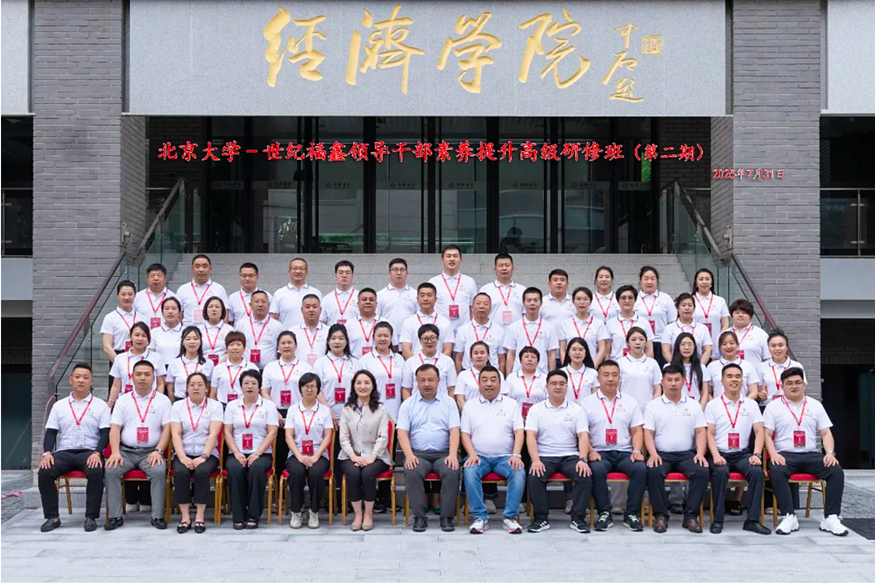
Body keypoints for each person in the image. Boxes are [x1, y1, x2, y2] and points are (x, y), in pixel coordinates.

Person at [764, 368, 848, 536]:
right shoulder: (773, 407)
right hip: (784, 454)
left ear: (804, 385)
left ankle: (830, 517)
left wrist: (829, 453)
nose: (794, 386)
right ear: (782, 386)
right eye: (789, 383)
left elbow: (826, 433)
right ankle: (789, 516)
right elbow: (766, 434)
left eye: (798, 382)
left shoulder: (815, 405)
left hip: (810, 454)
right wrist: (773, 454)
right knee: (777, 470)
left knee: (836, 471)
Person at [38, 363, 111, 533]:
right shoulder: (59, 406)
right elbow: (51, 433)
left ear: (91, 381)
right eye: (77, 377)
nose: (81, 380)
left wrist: (97, 453)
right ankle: (52, 517)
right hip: (64, 452)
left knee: (96, 471)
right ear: (71, 379)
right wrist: (47, 453)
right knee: (45, 471)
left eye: (85, 377)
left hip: (90, 452)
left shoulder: (100, 405)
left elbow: (105, 434)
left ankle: (91, 517)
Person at [104, 360, 172, 530]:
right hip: (126, 452)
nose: (142, 378)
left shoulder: (163, 401)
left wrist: (158, 451)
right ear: (132, 377)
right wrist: (115, 452)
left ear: (154, 378)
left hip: (151, 452)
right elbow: (115, 428)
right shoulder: (123, 400)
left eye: (147, 374)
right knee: (111, 470)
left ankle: (157, 516)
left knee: (158, 471)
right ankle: (115, 516)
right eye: (139, 374)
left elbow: (167, 429)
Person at [705, 363, 770, 535]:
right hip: (720, 453)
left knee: (756, 472)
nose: (734, 380)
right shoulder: (713, 405)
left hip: (742, 454)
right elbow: (709, 433)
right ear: (722, 381)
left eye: (737, 376)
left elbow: (759, 431)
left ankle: (752, 520)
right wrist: (716, 455)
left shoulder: (751, 404)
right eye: (730, 376)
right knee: (720, 472)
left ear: (742, 381)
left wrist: (756, 454)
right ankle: (717, 520)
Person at [525, 369, 593, 534]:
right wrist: (535, 460)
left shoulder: (577, 409)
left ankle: (578, 518)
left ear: (566, 387)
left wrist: (582, 459)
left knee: (584, 474)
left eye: (562, 384)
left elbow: (583, 436)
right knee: (534, 475)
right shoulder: (536, 409)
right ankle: (541, 518)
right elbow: (531, 436)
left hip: (570, 455)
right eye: (553, 384)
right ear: (546, 386)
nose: (558, 387)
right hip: (544, 455)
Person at [582, 360, 647, 532]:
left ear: (620, 378)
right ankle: (604, 513)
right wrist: (590, 451)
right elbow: (582, 433)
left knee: (640, 469)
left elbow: (637, 430)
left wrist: (637, 450)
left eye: (614, 375)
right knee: (596, 470)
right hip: (599, 452)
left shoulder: (630, 402)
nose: (610, 379)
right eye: (606, 375)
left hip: (624, 452)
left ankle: (631, 514)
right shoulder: (587, 403)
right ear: (598, 378)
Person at [461, 364, 526, 535]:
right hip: (479, 457)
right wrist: (472, 454)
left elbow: (519, 431)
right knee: (469, 471)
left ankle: (510, 517)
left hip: (505, 457)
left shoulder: (511, 404)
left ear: (500, 383)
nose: (489, 384)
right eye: (484, 380)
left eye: (493, 380)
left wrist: (516, 455)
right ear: (479, 383)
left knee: (518, 471)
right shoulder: (469, 406)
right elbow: (465, 434)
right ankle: (479, 517)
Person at [644, 365, 709, 533]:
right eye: (669, 380)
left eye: (677, 379)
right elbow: (648, 433)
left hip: (686, 454)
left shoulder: (693, 405)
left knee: (701, 471)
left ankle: (691, 517)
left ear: (683, 381)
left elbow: (701, 431)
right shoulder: (653, 406)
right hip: (661, 454)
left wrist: (700, 453)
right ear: (662, 382)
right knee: (653, 471)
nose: (673, 383)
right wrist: (652, 454)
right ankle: (661, 516)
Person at [397, 364, 461, 533]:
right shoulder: (408, 404)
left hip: (443, 454)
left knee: (452, 470)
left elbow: (454, 430)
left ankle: (447, 517)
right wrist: (409, 455)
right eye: (422, 380)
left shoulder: (449, 403)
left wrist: (453, 454)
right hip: (418, 454)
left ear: (438, 381)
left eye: (431, 380)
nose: (427, 384)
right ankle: (419, 517)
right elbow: (402, 432)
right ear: (416, 382)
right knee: (412, 471)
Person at [169, 372, 223, 534]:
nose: (196, 388)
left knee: (202, 472)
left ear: (206, 388)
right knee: (180, 472)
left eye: (200, 384)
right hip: (183, 452)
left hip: (207, 454)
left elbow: (213, 434)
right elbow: (176, 434)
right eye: (192, 385)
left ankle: (200, 516)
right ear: (186, 388)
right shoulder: (177, 406)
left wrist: (203, 456)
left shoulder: (215, 406)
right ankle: (185, 517)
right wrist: (182, 457)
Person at [224, 370, 278, 529]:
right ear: (240, 386)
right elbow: (227, 432)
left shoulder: (268, 406)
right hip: (237, 452)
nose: (250, 386)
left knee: (257, 469)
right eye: (246, 383)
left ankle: (253, 515)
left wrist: (257, 453)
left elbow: (272, 432)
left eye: (254, 383)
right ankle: (238, 516)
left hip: (262, 453)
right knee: (235, 470)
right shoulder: (232, 406)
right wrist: (236, 453)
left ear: (259, 386)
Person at [261, 331, 321, 471]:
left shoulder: (305, 367)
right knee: (279, 448)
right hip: (277, 412)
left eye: (290, 343)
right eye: (283, 343)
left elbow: (312, 390)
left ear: (296, 345)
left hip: (300, 412)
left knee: (298, 447)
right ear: (278, 347)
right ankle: (279, 480)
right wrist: (274, 411)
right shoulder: (270, 367)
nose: (286, 346)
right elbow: (264, 392)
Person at [339, 370, 392, 531]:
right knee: (354, 473)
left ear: (373, 386)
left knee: (368, 473)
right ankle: (358, 514)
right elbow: (343, 437)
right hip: (350, 455)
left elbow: (383, 436)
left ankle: (368, 514)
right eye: (359, 383)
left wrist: (372, 456)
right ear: (353, 386)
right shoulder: (347, 409)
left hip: (377, 456)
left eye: (367, 383)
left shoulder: (381, 409)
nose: (363, 386)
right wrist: (353, 456)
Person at [285, 373, 334, 530]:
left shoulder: (324, 411)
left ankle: (314, 511)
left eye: (313, 386)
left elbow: (328, 436)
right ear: (300, 388)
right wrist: (299, 456)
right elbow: (288, 436)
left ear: (318, 389)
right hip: (296, 453)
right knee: (296, 472)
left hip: (319, 454)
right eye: (306, 386)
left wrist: (316, 456)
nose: (309, 389)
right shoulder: (293, 410)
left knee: (316, 472)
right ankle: (296, 511)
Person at [108, 322, 166, 409]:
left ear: (148, 338)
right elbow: (116, 385)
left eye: (144, 336)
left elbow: (160, 384)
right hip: (126, 403)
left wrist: (158, 402)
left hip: (149, 403)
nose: (140, 339)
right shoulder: (120, 358)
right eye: (137, 335)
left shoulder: (156, 358)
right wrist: (110, 405)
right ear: (130, 336)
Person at [503, 287, 559, 377]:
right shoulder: (513, 327)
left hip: (542, 375)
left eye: (535, 300)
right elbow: (511, 354)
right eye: (529, 300)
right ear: (523, 303)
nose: (532, 303)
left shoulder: (549, 327)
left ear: (541, 304)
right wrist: (509, 377)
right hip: (518, 376)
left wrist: (551, 377)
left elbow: (551, 354)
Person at [313, 324, 362, 424]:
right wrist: (328, 411)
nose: (337, 341)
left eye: (341, 338)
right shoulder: (320, 363)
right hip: (326, 416)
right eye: (333, 338)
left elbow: (362, 388)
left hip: (352, 415)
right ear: (328, 341)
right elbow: (316, 390)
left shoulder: (355, 363)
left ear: (346, 341)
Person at [360, 322, 405, 422]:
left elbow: (404, 387)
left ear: (391, 338)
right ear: (373, 337)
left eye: (386, 336)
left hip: (397, 414)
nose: (382, 339)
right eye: (379, 335)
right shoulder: (365, 360)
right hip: (373, 415)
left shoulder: (399, 359)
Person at [453, 292, 506, 374]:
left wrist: (500, 377)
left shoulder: (499, 330)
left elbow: (501, 359)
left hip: (491, 374)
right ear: (472, 308)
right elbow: (459, 358)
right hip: (469, 373)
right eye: (478, 303)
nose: (481, 306)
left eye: (485, 304)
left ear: (490, 309)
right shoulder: (463, 330)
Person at [401, 324, 457, 400]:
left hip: (442, 404)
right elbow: (406, 389)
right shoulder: (410, 362)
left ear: (438, 339)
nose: (429, 341)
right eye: (425, 338)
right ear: (420, 341)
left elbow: (451, 389)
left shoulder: (448, 361)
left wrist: (449, 405)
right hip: (417, 405)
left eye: (433, 338)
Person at [430, 244, 478, 332]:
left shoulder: (469, 282)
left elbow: (473, 309)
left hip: (464, 331)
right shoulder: (433, 282)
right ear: (442, 259)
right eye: (448, 256)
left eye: (455, 256)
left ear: (460, 259)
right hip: (440, 330)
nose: (452, 259)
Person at [634, 266, 677, 366]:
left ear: (657, 281)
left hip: (661, 342)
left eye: (652, 279)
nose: (649, 282)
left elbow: (672, 322)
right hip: (640, 342)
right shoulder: (634, 299)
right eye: (646, 279)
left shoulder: (665, 298)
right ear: (640, 280)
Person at [400, 282, 454, 359]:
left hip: (439, 365)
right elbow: (406, 350)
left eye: (429, 295)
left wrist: (437, 364)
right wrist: (417, 364)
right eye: (422, 295)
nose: (425, 299)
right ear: (417, 299)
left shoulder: (445, 323)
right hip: (416, 365)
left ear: (435, 299)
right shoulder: (408, 322)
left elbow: (447, 350)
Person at [559, 287, 610, 367]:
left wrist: (593, 367)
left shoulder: (598, 323)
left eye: (585, 299)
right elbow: (562, 349)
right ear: (573, 302)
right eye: (578, 299)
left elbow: (602, 349)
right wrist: (566, 367)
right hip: (571, 368)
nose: (582, 302)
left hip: (592, 367)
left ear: (590, 302)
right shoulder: (566, 324)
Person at [234, 290, 283, 370]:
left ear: (268, 305)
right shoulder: (241, 324)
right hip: (245, 370)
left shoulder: (277, 326)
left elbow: (281, 351)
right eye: (256, 302)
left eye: (263, 302)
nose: (260, 305)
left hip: (269, 370)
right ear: (250, 305)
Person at [176, 254, 229, 327]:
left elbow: (225, 315)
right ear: (192, 269)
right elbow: (178, 315)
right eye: (197, 266)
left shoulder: (219, 289)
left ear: (210, 269)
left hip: (211, 331)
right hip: (188, 331)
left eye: (204, 266)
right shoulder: (183, 289)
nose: (201, 270)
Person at [707, 331, 762, 400]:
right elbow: (707, 392)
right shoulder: (712, 366)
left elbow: (754, 392)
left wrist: (743, 403)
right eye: (724, 344)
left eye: (732, 343)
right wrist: (716, 404)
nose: (728, 346)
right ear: (720, 347)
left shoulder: (748, 366)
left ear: (737, 345)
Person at [270, 257, 323, 330]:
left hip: (311, 335)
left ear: (307, 272)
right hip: (287, 335)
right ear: (289, 272)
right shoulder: (279, 293)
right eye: (295, 268)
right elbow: (273, 319)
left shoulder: (316, 293)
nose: (298, 271)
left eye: (301, 269)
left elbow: (322, 317)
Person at [377, 257, 418, 348]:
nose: (399, 273)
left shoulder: (415, 294)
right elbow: (377, 319)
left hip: (410, 342)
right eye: (395, 270)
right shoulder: (380, 295)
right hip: (388, 343)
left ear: (406, 273)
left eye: (402, 270)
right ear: (389, 273)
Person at [165, 326, 214, 402]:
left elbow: (209, 386)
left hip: (201, 403)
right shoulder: (174, 363)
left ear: (200, 342)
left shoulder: (208, 363)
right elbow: (170, 389)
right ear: (183, 342)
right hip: (179, 402)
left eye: (195, 339)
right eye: (188, 339)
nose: (192, 342)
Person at [661, 293, 713, 363]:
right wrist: (676, 366)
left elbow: (708, 350)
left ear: (694, 308)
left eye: (690, 305)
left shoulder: (703, 328)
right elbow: (666, 351)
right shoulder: (669, 328)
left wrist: (699, 366)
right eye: (683, 305)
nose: (687, 308)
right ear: (677, 308)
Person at [479, 253, 525, 331]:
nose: (504, 268)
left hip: (517, 333)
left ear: (512, 268)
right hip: (492, 333)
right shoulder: (486, 290)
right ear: (495, 269)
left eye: (507, 265)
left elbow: (526, 314)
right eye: (500, 266)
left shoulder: (522, 290)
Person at [606, 285, 654, 360]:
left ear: (635, 300)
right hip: (616, 364)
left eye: (630, 298)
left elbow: (649, 350)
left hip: (639, 363)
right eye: (623, 298)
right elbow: (607, 351)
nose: (627, 301)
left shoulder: (644, 322)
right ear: (618, 300)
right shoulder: (610, 323)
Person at [455, 341, 507, 410]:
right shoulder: (463, 375)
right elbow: (460, 399)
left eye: (482, 353)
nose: (479, 356)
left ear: (488, 356)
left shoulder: (498, 374)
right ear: (471, 356)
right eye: (476, 353)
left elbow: (502, 395)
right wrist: (468, 412)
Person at [210, 332, 258, 405]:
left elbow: (257, 393)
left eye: (238, 344)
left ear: (244, 348)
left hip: (245, 406)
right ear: (226, 348)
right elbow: (213, 395)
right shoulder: (218, 368)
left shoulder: (252, 368)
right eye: (231, 344)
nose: (235, 348)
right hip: (222, 405)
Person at [618, 327, 662, 406]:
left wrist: (653, 406)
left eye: (641, 339)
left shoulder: (653, 363)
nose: (637, 342)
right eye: (633, 339)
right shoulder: (620, 363)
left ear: (645, 342)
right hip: (625, 407)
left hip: (647, 408)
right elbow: (617, 388)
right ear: (628, 343)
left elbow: (657, 389)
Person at [758, 330, 806, 402]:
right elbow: (758, 392)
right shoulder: (761, 367)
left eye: (780, 345)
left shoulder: (796, 366)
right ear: (768, 348)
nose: (777, 349)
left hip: (791, 405)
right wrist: (761, 395)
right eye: (773, 346)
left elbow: (802, 390)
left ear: (787, 347)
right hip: (768, 406)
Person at [504, 346, 547, 421]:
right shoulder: (511, 378)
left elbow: (548, 400)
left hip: (540, 419)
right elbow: (507, 401)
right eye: (526, 357)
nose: (530, 359)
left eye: (533, 357)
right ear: (520, 361)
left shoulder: (545, 378)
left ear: (538, 362)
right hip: (516, 419)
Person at [668, 333, 711, 407]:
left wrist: (700, 410)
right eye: (683, 344)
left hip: (697, 407)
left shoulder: (701, 367)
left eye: (690, 344)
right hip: (676, 407)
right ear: (677, 347)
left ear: (694, 347)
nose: (686, 347)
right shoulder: (669, 367)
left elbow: (704, 393)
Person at [691, 268, 730, 349]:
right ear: (696, 283)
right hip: (695, 343)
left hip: (716, 344)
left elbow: (725, 324)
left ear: (711, 283)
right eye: (701, 279)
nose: (704, 282)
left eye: (707, 279)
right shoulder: (690, 301)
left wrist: (719, 339)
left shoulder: (720, 301)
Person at [723, 299, 770, 364]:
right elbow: (716, 358)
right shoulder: (723, 334)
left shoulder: (761, 334)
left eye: (744, 313)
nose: (740, 315)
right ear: (732, 316)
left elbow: (769, 359)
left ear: (750, 316)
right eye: (737, 313)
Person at [101, 280, 137, 364]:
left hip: (138, 358)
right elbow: (107, 347)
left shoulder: (142, 318)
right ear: (117, 296)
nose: (127, 297)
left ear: (135, 296)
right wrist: (120, 363)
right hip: (117, 357)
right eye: (123, 294)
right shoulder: (110, 318)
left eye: (130, 294)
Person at [133, 263, 177, 330]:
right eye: (152, 276)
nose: (156, 278)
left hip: (166, 334)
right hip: (144, 335)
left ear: (165, 279)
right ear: (147, 279)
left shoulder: (174, 297)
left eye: (159, 275)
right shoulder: (137, 297)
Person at [290, 294, 329, 366]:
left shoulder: (328, 331)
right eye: (307, 307)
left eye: (315, 307)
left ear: (320, 309)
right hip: (299, 371)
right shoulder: (292, 332)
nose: (311, 310)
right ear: (302, 310)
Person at [198, 296, 234, 365]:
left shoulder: (229, 330)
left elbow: (232, 350)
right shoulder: (198, 330)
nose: (214, 309)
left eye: (217, 307)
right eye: (210, 307)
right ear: (205, 310)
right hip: (202, 366)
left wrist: (220, 364)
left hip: (224, 366)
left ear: (222, 311)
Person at [321, 260, 359, 326]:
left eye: (347, 273)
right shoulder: (327, 299)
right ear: (335, 276)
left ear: (352, 275)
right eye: (341, 273)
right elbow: (322, 322)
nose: (344, 275)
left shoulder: (359, 297)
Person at [347, 287, 382, 359]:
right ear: (358, 304)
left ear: (376, 304)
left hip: (379, 364)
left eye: (371, 300)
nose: (368, 302)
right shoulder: (349, 325)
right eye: (364, 299)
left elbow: (393, 347)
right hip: (355, 364)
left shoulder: (385, 323)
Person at [562, 337, 599, 405]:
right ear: (568, 352)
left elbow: (596, 398)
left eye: (581, 350)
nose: (577, 353)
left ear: (586, 353)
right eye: (574, 349)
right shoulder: (561, 373)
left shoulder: (593, 373)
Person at [150, 297, 184, 367]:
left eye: (174, 308)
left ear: (179, 313)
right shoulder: (154, 333)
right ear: (162, 312)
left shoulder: (186, 332)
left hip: (181, 369)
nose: (170, 311)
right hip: (160, 370)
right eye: (167, 308)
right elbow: (151, 356)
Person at [540, 269, 575, 337]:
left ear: (567, 284)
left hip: (570, 342)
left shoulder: (575, 302)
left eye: (562, 280)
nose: (559, 283)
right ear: (549, 284)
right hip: (548, 341)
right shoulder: (542, 302)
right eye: (555, 280)